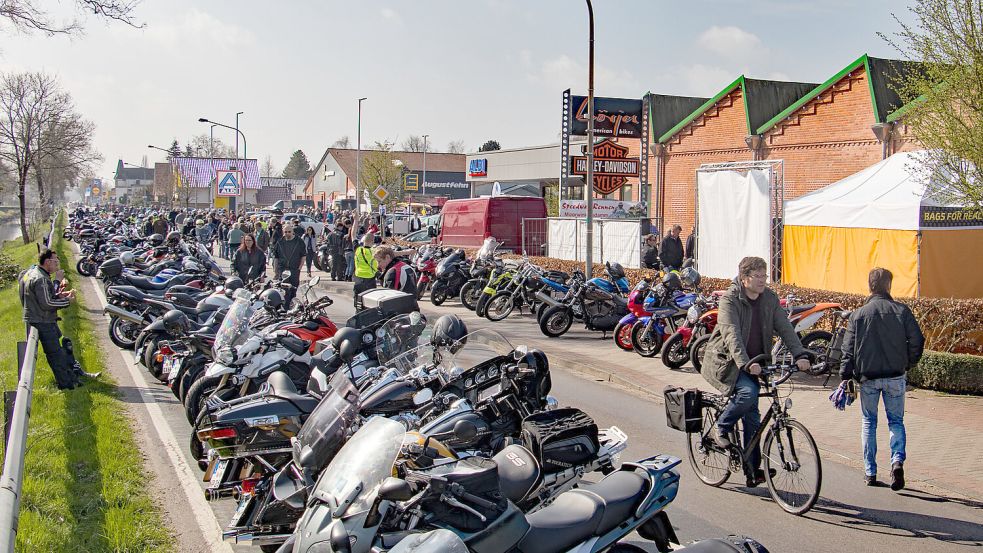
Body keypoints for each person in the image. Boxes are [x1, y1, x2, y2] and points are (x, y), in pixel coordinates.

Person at [699, 256, 811, 487]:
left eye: (765, 276)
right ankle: (721, 427)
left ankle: (752, 470)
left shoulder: (769, 299)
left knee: (753, 419)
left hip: (757, 363)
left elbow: (785, 328)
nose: (763, 281)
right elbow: (732, 335)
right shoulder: (730, 300)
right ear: (744, 278)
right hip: (728, 363)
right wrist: (745, 363)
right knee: (748, 393)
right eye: (757, 276)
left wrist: (800, 354)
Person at [840, 267, 924, 490]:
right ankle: (897, 461)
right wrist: (907, 363)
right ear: (889, 286)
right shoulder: (902, 311)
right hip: (896, 376)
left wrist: (845, 376)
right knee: (896, 421)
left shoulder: (858, 315)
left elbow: (847, 350)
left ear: (870, 286)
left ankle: (870, 472)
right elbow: (918, 341)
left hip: (868, 377)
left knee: (869, 422)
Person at [19, 250, 86, 390]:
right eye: (56, 261)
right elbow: (47, 304)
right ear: (47, 262)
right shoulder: (41, 279)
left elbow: (41, 298)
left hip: (38, 317)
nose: (57, 264)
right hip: (43, 320)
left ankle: (71, 377)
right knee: (56, 354)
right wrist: (67, 301)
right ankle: (67, 385)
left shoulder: (31, 273)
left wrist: (59, 295)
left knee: (60, 349)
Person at [271, 225, 306, 306]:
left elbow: (303, 256)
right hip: (282, 269)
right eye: (285, 232)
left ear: (293, 232)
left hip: (294, 269)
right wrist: (276, 270)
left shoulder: (299, 241)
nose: (287, 233)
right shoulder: (280, 242)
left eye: (289, 232)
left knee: (293, 290)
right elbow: (276, 257)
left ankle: (291, 305)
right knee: (284, 291)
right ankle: (285, 308)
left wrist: (299, 268)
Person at [351, 231, 378, 307]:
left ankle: (357, 314)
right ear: (372, 241)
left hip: (358, 279)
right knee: (370, 303)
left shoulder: (358, 249)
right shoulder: (374, 252)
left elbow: (353, 235)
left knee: (358, 303)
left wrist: (356, 220)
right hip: (370, 280)